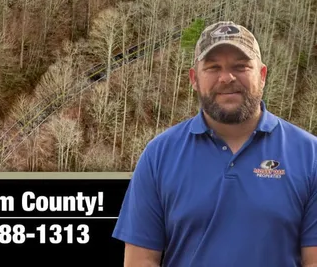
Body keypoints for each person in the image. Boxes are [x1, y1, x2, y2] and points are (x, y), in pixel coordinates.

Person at [112, 20, 317, 266]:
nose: (227, 77)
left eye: (240, 66)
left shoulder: (310, 155)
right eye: (212, 67)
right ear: (194, 79)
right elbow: (141, 261)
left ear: (262, 75)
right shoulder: (159, 155)